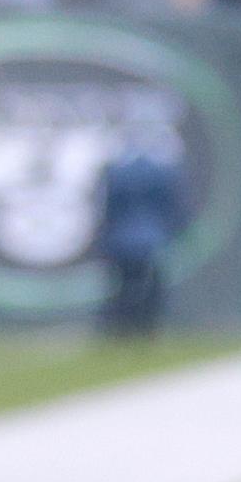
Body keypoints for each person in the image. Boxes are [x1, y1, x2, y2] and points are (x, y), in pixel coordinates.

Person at [94, 126, 187, 338]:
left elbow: (108, 209)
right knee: (151, 288)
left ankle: (122, 329)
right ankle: (146, 328)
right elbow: (174, 207)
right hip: (152, 239)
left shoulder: (117, 172)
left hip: (120, 240)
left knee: (123, 289)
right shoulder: (164, 171)